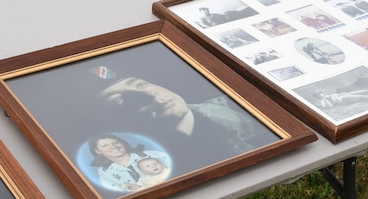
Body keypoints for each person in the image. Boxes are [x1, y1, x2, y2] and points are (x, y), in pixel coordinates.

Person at [91, 72, 278, 171]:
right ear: (113, 123)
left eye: (141, 85)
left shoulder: (243, 108)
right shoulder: (134, 163)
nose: (149, 94)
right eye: (118, 100)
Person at [88, 134, 168, 192]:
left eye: (116, 142)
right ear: (97, 151)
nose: (113, 147)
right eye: (105, 146)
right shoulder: (104, 172)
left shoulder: (153, 155)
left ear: (123, 143)